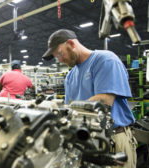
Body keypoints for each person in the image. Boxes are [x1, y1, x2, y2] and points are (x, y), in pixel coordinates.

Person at [42, 29, 136, 168]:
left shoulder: (105, 60)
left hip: (112, 141)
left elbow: (103, 102)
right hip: (84, 143)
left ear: (71, 43)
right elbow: (70, 110)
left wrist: (67, 109)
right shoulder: (70, 76)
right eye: (57, 57)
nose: (60, 60)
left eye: (60, 53)